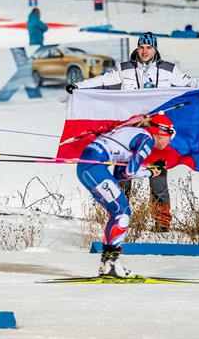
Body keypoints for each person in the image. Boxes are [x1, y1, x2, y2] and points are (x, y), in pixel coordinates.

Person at [66, 32, 199, 232]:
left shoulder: (169, 70)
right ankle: (118, 217)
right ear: (137, 48)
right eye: (141, 47)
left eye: (149, 47)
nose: (145, 51)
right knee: (123, 176)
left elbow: (190, 82)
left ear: (155, 49)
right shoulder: (125, 69)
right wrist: (78, 86)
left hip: (156, 135)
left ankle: (162, 225)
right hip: (131, 134)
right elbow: (101, 81)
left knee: (158, 178)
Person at [77, 114, 174, 277]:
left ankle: (108, 264)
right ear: (162, 133)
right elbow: (130, 171)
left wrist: (149, 171)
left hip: (89, 168)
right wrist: (150, 171)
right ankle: (110, 264)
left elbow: (122, 174)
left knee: (118, 212)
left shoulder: (137, 135)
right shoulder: (147, 139)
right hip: (94, 168)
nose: (170, 141)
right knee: (122, 213)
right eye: (171, 136)